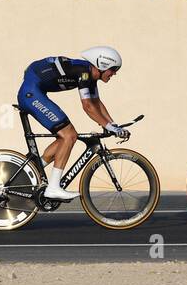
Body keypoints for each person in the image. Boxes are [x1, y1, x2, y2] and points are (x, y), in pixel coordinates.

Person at [17, 46, 128, 201]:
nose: (114, 73)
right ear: (102, 65)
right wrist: (109, 127)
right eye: (113, 69)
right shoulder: (83, 73)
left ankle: (32, 170)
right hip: (31, 93)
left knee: (68, 137)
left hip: (34, 90)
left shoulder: (90, 75)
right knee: (68, 135)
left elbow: (96, 103)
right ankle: (53, 188)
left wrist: (113, 125)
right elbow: (88, 106)